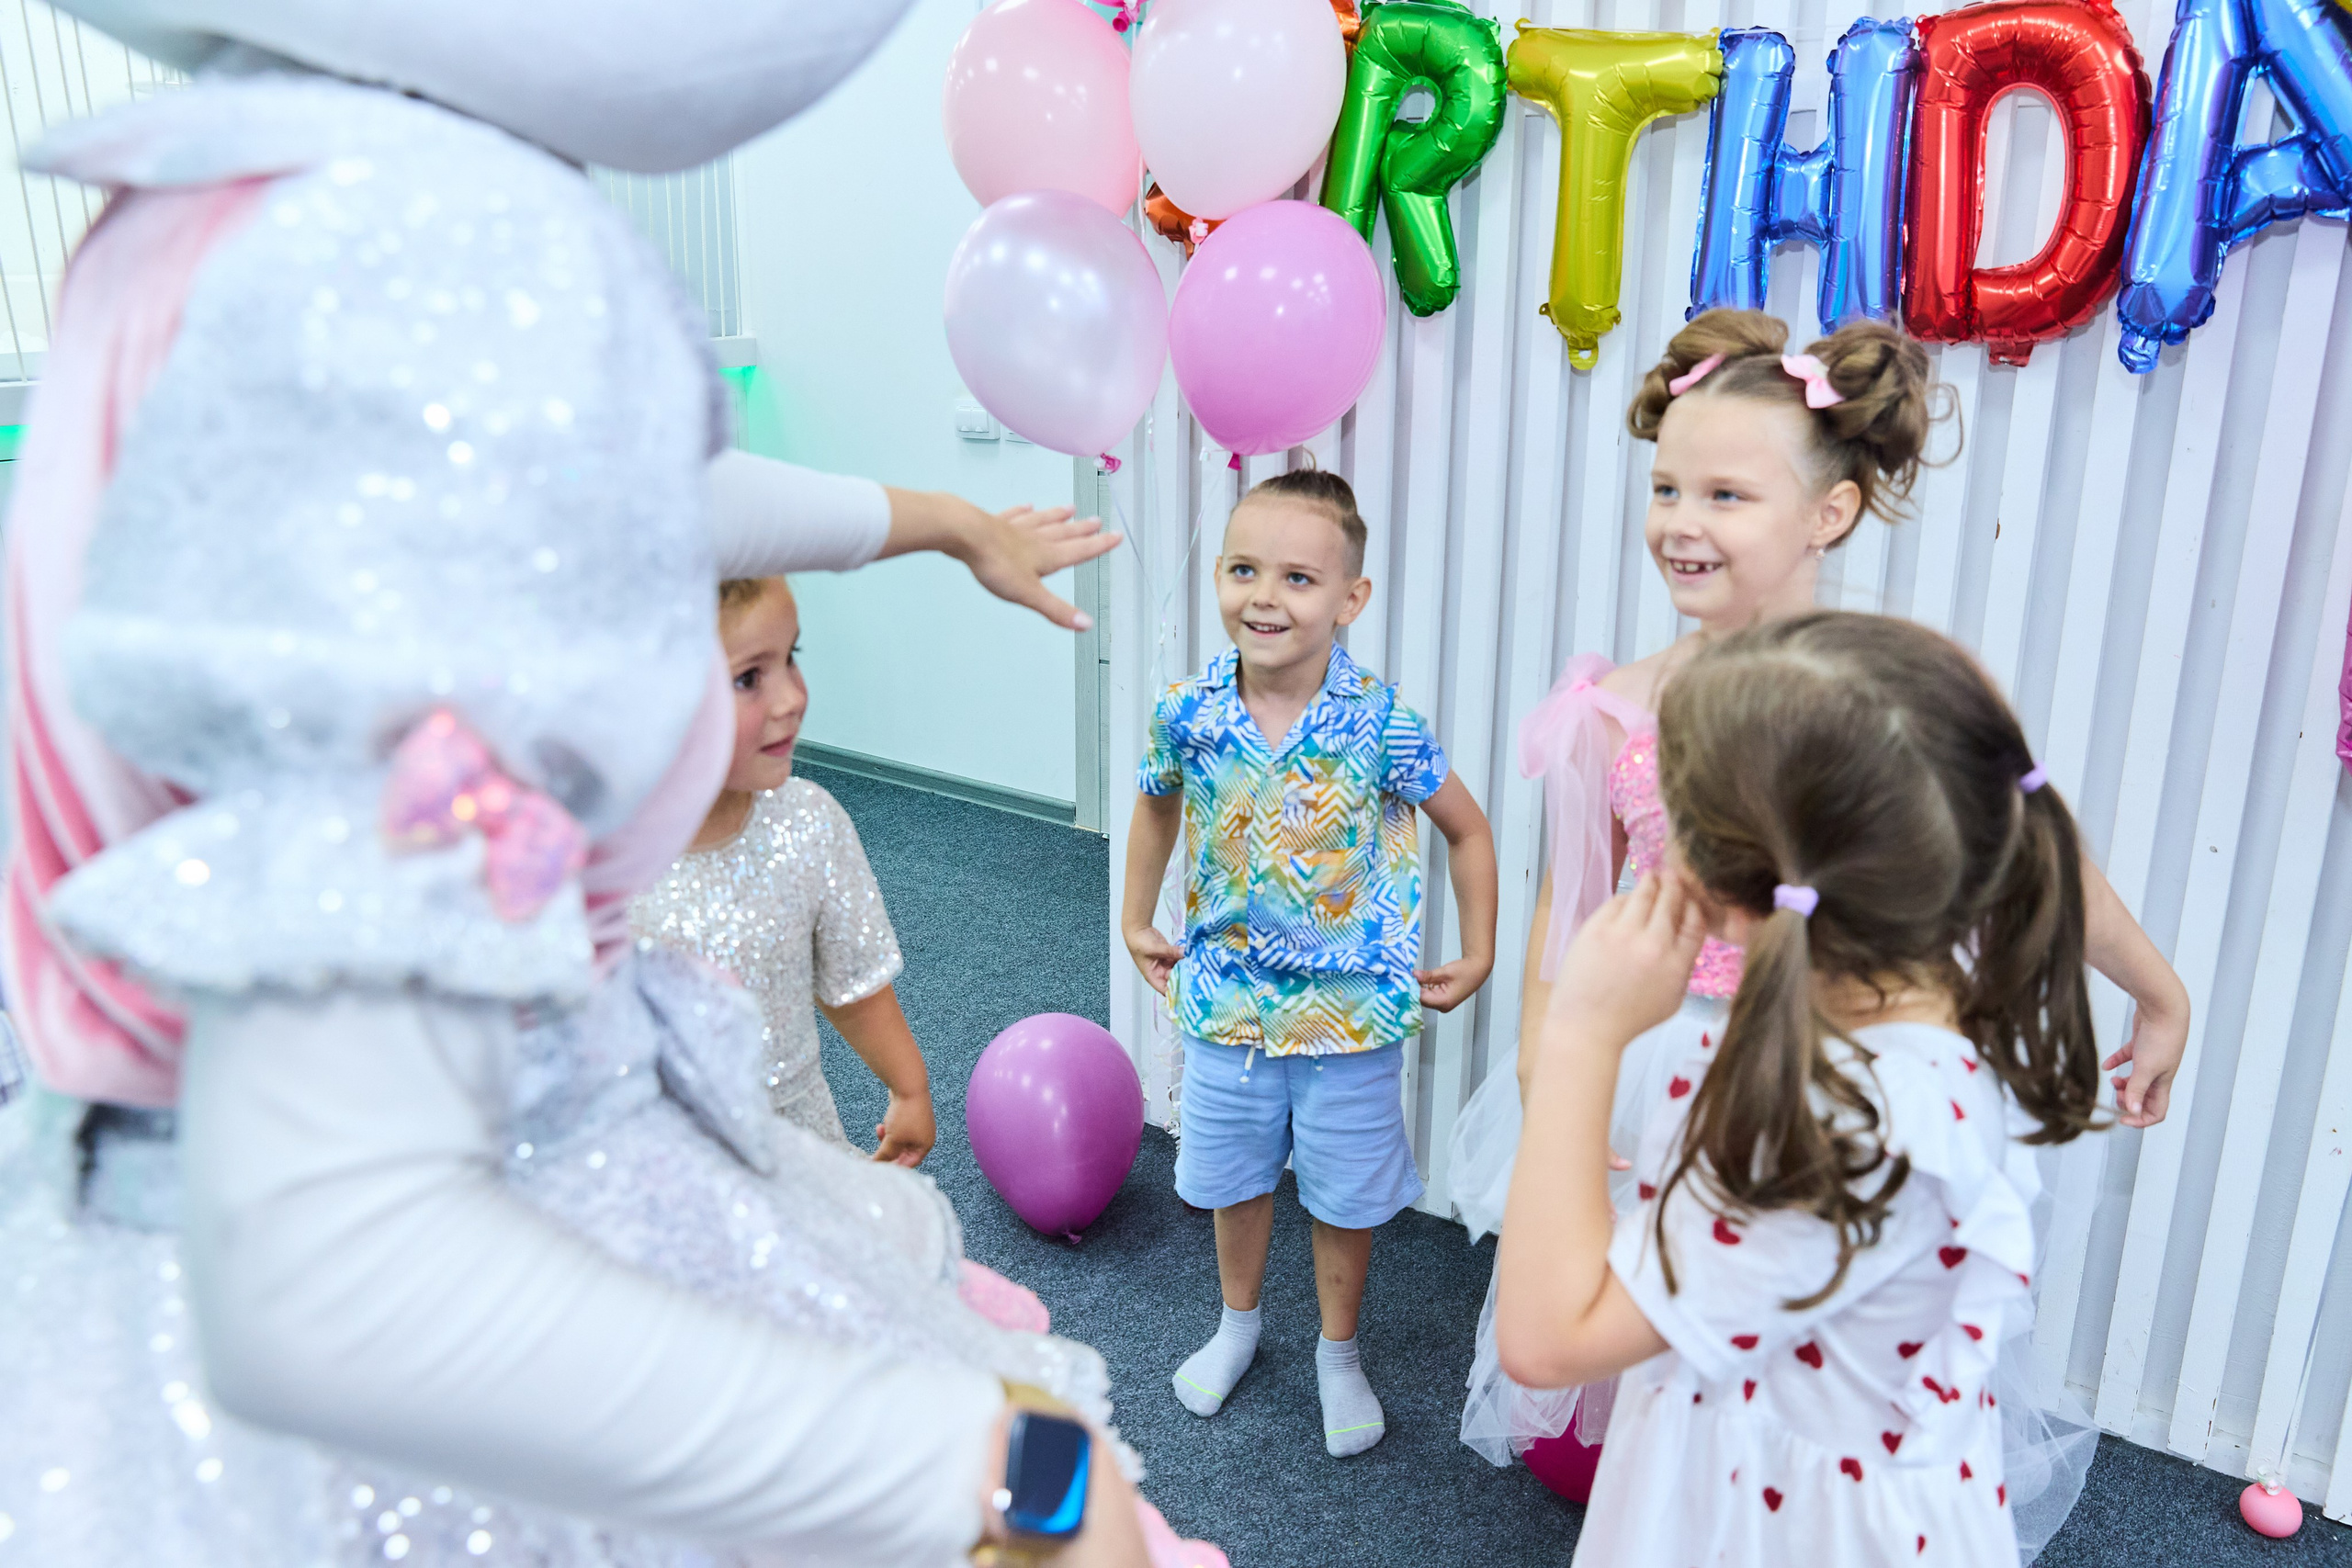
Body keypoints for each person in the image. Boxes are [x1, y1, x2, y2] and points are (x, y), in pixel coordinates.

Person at [0, 4, 1215, 1562]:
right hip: (445, 1322)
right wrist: (968, 1470)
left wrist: (929, 517)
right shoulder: (421, 253)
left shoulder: (249, 193)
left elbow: (603, 495)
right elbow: (332, 1262)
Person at [1448, 312, 2189, 1552]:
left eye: (1727, 490)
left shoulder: (1900, 697)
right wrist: (1555, 1080)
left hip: (1775, 1084)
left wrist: (2156, 988)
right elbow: (1561, 914)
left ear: (1829, 513)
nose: (1682, 517)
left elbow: (2035, 843)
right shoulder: (1614, 706)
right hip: (1671, 1062)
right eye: (1667, 485)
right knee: (1691, 1338)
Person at [1498, 611, 2107, 1565]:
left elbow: (1544, 1342)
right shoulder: (1918, 1030)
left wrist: (1580, 1034)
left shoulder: (1827, 1123)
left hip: (1777, 1525)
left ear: (1726, 880)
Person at [1120, 468, 1498, 1457]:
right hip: (1228, 1009)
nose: (1265, 596)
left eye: (1297, 577)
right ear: (1217, 575)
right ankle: (1237, 1326)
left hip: (1350, 1018)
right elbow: (1156, 801)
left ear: (1349, 600)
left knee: (1344, 1191)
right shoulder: (1189, 709)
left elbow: (1467, 831)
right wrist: (1132, 916)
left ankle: (1339, 1351)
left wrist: (1481, 949)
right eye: (1244, 570)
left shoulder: (1382, 723)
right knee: (1232, 1179)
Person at [634, 575, 935, 1165]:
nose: (792, 697)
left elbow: (852, 987)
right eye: (749, 678)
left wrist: (909, 1086)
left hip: (794, 1151)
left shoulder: (808, 823)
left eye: (790, 658)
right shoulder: (602, 854)